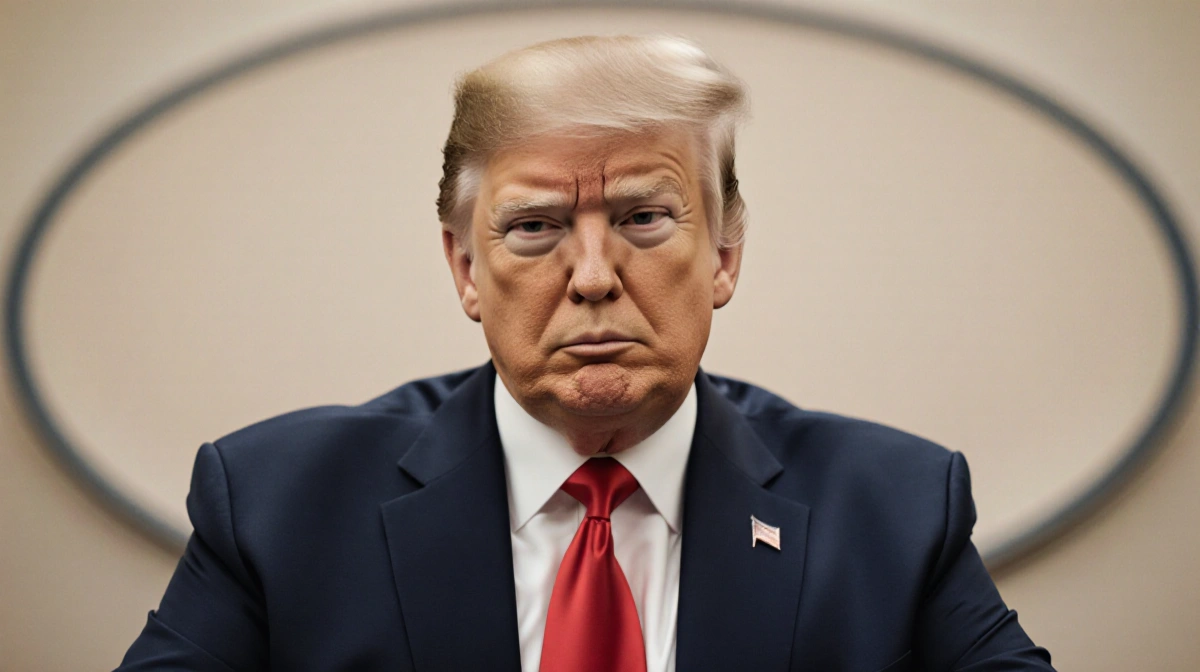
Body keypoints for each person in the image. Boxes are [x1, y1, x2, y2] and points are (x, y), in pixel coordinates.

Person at [117, 35, 1054, 671]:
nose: (595, 275)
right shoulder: (277, 505)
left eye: (645, 217)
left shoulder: (892, 509)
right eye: (534, 226)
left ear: (725, 253)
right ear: (465, 268)